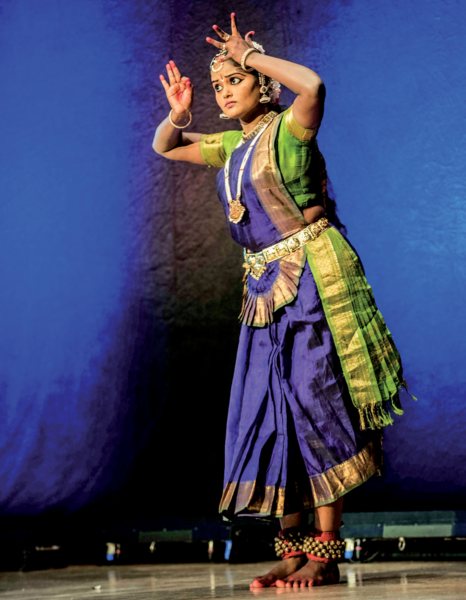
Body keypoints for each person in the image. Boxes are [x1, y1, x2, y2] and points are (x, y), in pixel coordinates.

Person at [153, 13, 414, 589]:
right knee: (272, 412)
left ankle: (325, 552)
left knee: (314, 404)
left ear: (263, 85)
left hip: (310, 281)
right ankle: (293, 551)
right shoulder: (231, 145)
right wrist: (179, 114)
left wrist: (249, 54)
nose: (224, 91)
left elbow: (313, 85)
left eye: (235, 81)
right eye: (218, 84)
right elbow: (166, 146)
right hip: (261, 291)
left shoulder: (291, 129)